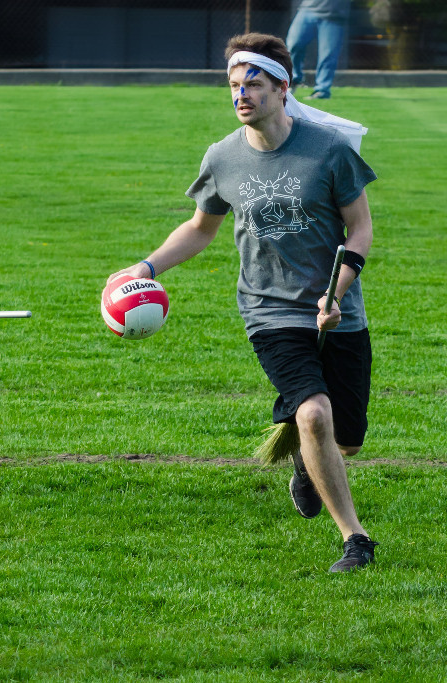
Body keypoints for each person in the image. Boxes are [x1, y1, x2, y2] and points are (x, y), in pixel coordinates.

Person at [109, 33, 378, 572]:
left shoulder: (330, 151)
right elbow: (200, 227)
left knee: (343, 441)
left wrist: (337, 292)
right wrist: (146, 267)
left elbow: (361, 227)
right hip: (268, 311)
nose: (241, 95)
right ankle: (355, 539)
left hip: (337, 311)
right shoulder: (222, 158)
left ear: (283, 88)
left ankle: (307, 460)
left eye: (252, 83)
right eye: (233, 86)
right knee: (315, 412)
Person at [286, 0, 351, 100]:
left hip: (334, 15)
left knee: (328, 55)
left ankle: (322, 90)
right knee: (294, 45)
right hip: (307, 10)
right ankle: (293, 80)